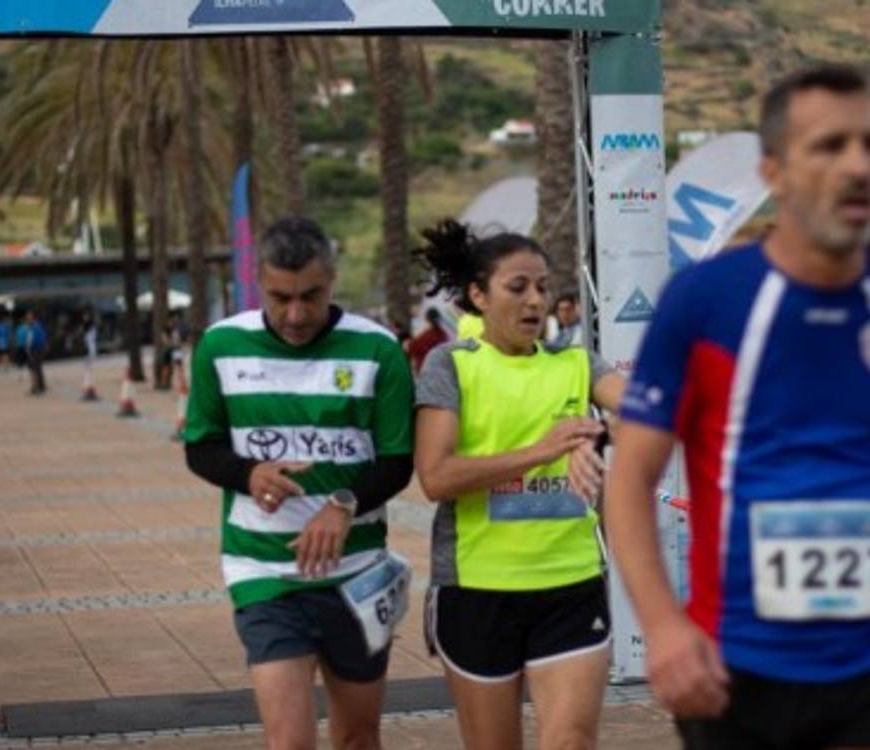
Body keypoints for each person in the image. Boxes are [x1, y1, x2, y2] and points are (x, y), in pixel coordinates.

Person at [603, 65, 870, 749]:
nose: (857, 165)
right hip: (734, 672)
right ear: (774, 172)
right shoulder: (703, 302)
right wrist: (661, 627)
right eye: (829, 147)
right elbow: (628, 480)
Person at [183, 217, 415, 750]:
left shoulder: (378, 351)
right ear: (257, 283)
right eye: (279, 297)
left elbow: (398, 461)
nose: (295, 314)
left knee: (358, 737)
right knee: (289, 741)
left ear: (333, 280)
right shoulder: (220, 346)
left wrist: (343, 503)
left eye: (310, 296)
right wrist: (247, 472)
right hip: (263, 572)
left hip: (358, 575)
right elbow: (201, 447)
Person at [413, 219, 627, 750]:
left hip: (570, 584)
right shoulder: (452, 365)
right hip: (478, 589)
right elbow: (436, 477)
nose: (536, 301)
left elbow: (647, 408)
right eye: (518, 288)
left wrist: (597, 436)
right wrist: (545, 450)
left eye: (543, 287)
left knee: (572, 742)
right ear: (478, 296)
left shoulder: (577, 363)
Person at [406, 308, 449, 374]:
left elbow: (410, 348)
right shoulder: (443, 335)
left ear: (427, 320)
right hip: (441, 371)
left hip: (426, 372)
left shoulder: (426, 336)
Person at [22, 310, 48, 395]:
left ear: (33, 318)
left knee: (34, 368)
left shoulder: (34, 327)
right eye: (27, 318)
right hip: (36, 349)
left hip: (36, 349)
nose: (28, 320)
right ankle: (40, 386)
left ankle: (36, 387)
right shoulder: (35, 326)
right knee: (37, 368)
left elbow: (32, 340)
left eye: (29, 318)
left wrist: (28, 349)